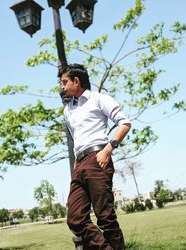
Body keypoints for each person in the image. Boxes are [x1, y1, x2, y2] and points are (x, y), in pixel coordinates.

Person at [60, 64, 131, 250]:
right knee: (75, 218)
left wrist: (109, 149)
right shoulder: (68, 110)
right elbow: (76, 139)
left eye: (65, 82)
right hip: (80, 163)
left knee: (105, 217)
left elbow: (124, 123)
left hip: (98, 158)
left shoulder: (99, 99)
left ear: (77, 81)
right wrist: (77, 164)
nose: (62, 87)